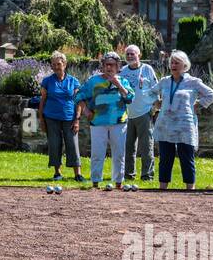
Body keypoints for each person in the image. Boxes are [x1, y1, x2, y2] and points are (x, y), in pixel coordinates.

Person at [151, 50, 213, 190]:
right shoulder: (164, 81)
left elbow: (211, 94)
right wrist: (156, 102)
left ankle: (190, 188)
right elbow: (150, 93)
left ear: (185, 65)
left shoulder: (192, 82)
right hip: (166, 124)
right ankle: (162, 188)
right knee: (165, 158)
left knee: (186, 158)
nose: (173, 65)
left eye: (177, 63)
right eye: (172, 63)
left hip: (184, 125)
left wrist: (197, 104)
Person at [77, 52, 134, 187]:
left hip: (119, 123)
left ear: (118, 66)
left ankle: (118, 182)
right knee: (97, 153)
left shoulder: (123, 81)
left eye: (112, 65)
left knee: (119, 153)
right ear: (102, 66)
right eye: (106, 65)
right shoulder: (93, 81)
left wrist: (118, 85)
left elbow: (130, 98)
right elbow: (78, 95)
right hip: (98, 122)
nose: (109, 68)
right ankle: (95, 182)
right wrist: (85, 111)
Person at [38, 50, 82, 181]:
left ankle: (77, 174)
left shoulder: (73, 81)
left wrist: (77, 120)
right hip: (51, 117)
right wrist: (41, 119)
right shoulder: (47, 81)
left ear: (65, 64)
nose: (56, 67)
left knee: (73, 145)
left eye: (59, 64)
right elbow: (42, 101)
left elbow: (78, 102)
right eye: (54, 64)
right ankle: (57, 173)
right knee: (54, 144)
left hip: (69, 118)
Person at [120, 44, 159, 182]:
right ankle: (129, 174)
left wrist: (154, 108)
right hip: (127, 114)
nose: (130, 56)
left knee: (146, 146)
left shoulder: (147, 69)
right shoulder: (123, 71)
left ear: (139, 55)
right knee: (128, 147)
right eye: (128, 54)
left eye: (133, 54)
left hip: (144, 113)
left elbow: (156, 89)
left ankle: (147, 175)